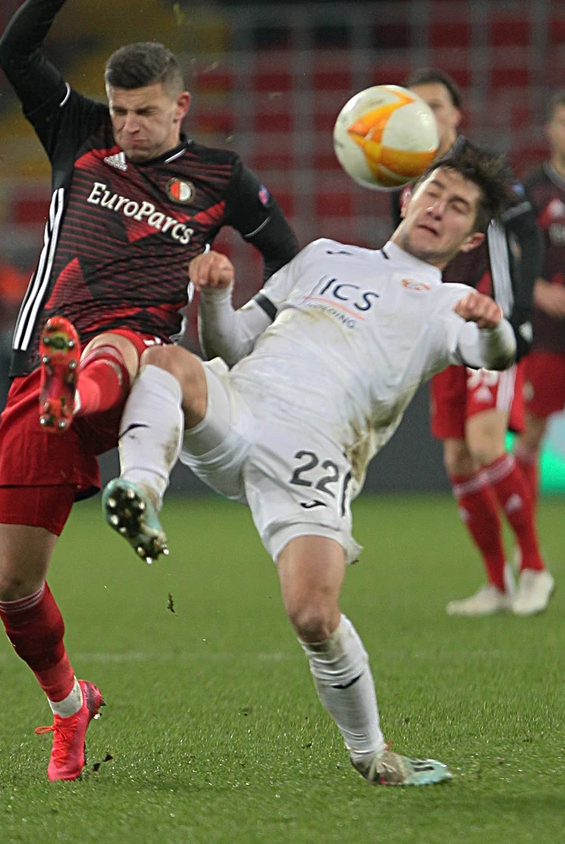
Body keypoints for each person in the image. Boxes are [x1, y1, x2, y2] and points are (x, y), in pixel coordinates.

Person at [100, 146, 517, 786]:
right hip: (242, 405)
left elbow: (497, 353)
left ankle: (373, 756)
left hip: (315, 455)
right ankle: (142, 493)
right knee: (165, 361)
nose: (439, 208)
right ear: (407, 196)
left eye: (458, 207)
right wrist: (215, 297)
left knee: (314, 616)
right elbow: (231, 345)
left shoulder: (450, 302)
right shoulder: (322, 256)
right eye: (434, 192)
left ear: (471, 238)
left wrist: (490, 325)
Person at [0, 0, 298, 782]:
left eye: (146, 112)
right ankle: (69, 705)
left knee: (121, 347)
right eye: (120, 110)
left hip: (142, 368)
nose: (128, 125)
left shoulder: (223, 177)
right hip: (36, 372)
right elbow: (14, 53)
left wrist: (238, 305)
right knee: (12, 585)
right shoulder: (75, 131)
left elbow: (291, 257)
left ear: (181, 105)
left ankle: (83, 393)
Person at [391, 68, 552, 617]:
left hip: (487, 324)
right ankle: (497, 583)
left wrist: (518, 314)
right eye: (416, 107)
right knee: (458, 458)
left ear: (457, 114)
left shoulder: (484, 170)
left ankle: (535, 568)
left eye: (436, 105)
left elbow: (526, 233)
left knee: (485, 443)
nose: (427, 115)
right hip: (440, 331)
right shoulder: (404, 173)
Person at [515, 90, 565, 504]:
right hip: (548, 331)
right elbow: (509, 253)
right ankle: (523, 530)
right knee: (532, 431)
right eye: (564, 123)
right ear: (550, 129)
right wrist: (537, 288)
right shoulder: (532, 192)